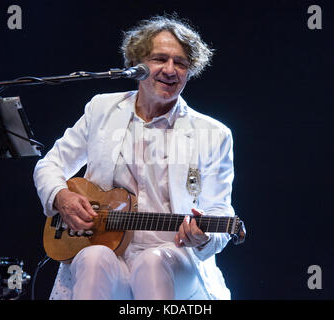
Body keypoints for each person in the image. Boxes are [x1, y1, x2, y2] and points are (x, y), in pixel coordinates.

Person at [33, 15, 245, 300]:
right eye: (160, 59)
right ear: (137, 65)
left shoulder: (214, 134)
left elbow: (219, 211)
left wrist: (205, 236)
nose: (170, 70)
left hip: (175, 260)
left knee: (152, 262)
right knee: (93, 257)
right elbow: (50, 165)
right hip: (110, 256)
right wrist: (61, 197)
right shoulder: (102, 109)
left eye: (180, 63)